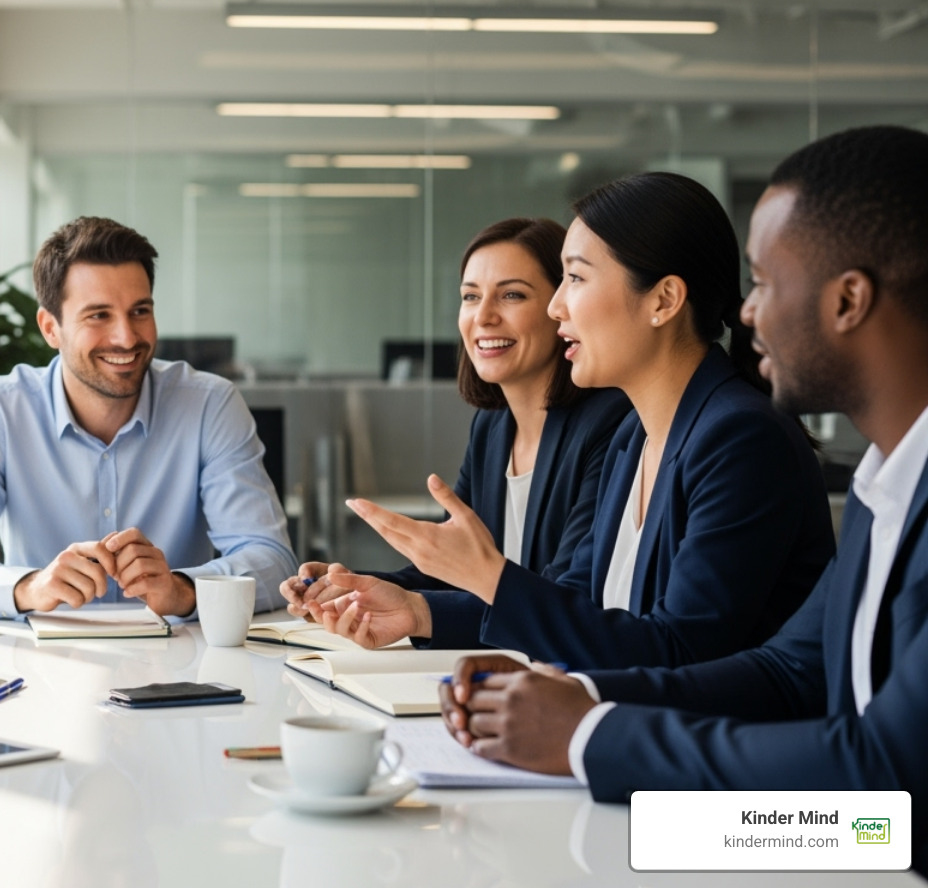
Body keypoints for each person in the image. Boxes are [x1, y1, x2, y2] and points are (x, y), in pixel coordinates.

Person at [438, 125, 928, 874]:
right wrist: (572, 696)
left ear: (849, 300)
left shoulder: (747, 436)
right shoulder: (882, 485)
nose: (750, 312)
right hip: (851, 834)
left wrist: (587, 737)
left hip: (861, 835)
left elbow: (883, 786)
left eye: (765, 282)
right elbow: (789, 671)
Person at [318, 172, 833, 669]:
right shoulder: (635, 436)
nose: (558, 306)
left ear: (663, 300)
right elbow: (574, 605)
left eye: (576, 278)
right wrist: (419, 611)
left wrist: (489, 576)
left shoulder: (739, 438)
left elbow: (681, 652)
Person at [0, 216, 296, 619]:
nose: (126, 337)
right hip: (43, 669)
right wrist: (28, 586)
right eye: (98, 315)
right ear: (50, 328)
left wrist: (184, 589)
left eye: (140, 310)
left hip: (182, 669)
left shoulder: (210, 405)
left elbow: (272, 560)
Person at [280, 218, 631, 640]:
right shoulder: (493, 427)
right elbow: (451, 572)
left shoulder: (610, 425)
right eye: (470, 297)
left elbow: (562, 595)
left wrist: (419, 613)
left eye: (512, 295)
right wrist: (351, 587)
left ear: (561, 307)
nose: (483, 316)